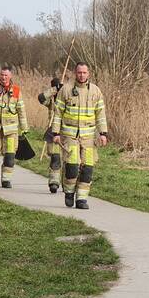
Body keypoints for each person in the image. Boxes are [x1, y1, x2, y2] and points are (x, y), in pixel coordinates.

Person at [50, 63, 107, 209]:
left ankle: (81, 199)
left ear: (88, 73)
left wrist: (103, 133)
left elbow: (100, 114)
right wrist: (55, 133)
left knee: (88, 169)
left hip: (88, 138)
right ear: (75, 73)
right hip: (70, 137)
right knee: (72, 167)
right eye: (79, 72)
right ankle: (69, 193)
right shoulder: (66, 90)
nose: (82, 75)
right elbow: (57, 113)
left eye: (84, 72)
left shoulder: (96, 91)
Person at [38, 77, 63, 193]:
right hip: (53, 131)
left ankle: (68, 184)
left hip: (67, 131)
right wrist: (53, 90)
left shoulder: (67, 97)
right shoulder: (51, 101)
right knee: (55, 157)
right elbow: (41, 98)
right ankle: (54, 182)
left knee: (69, 160)